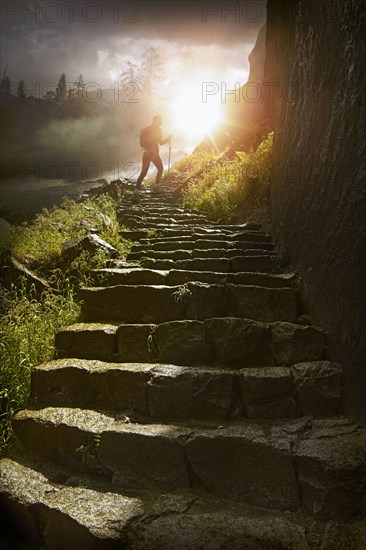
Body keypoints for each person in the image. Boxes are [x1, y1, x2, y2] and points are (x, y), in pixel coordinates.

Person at [135, 115, 172, 192]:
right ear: (157, 121)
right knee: (160, 168)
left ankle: (136, 192)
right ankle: (156, 187)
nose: (160, 123)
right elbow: (161, 143)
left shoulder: (146, 129)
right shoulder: (158, 130)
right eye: (160, 122)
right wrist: (168, 138)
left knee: (143, 173)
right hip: (153, 153)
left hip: (145, 153)